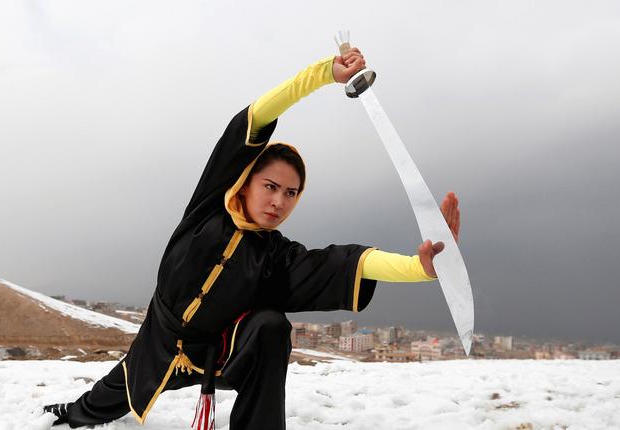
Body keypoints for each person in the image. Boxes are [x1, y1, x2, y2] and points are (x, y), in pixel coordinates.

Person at [43, 46, 460, 429]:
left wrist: (419, 267)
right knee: (104, 398)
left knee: (270, 326)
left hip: (220, 356)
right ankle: (72, 413)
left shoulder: (276, 256)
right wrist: (322, 74)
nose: (279, 200)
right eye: (271, 186)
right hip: (159, 342)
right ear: (245, 182)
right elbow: (257, 116)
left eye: (291, 192)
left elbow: (347, 261)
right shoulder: (208, 205)